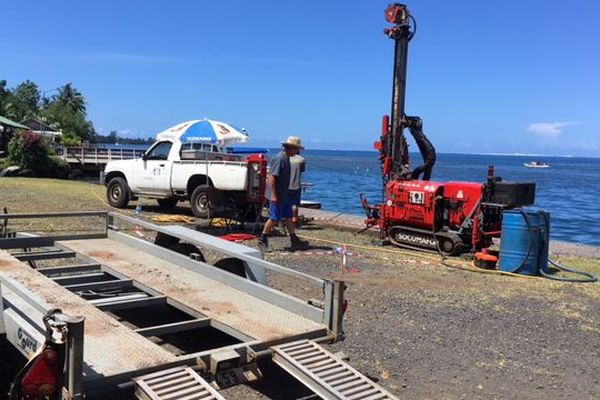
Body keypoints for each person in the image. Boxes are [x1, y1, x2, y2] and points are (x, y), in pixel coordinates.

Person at [259, 136, 309, 251]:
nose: (298, 152)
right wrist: (274, 195)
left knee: (288, 216)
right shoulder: (279, 159)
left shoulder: (287, 158)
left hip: (284, 193)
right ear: (291, 148)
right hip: (277, 194)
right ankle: (263, 238)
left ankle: (293, 238)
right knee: (274, 218)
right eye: (297, 149)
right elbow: (272, 177)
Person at [288, 147, 306, 225]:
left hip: (286, 184)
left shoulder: (286, 158)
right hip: (296, 184)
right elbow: (302, 170)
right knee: (295, 204)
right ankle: (294, 218)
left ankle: (285, 218)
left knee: (285, 203)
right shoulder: (301, 160)